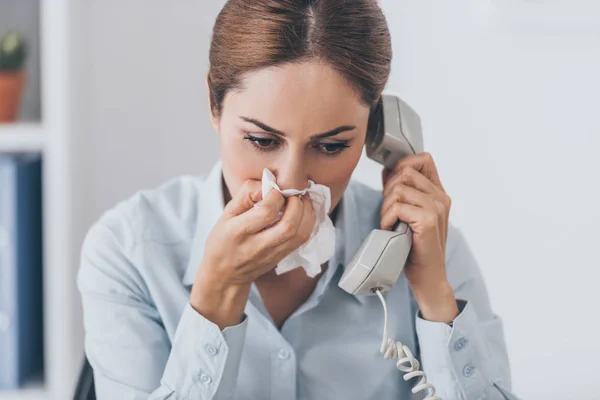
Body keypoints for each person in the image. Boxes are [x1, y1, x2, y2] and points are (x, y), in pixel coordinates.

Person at [77, 1, 519, 399]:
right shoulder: (127, 251)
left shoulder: (430, 246)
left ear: (375, 131)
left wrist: (434, 298)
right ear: (214, 105)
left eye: (330, 147)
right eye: (261, 140)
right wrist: (217, 298)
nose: (291, 182)